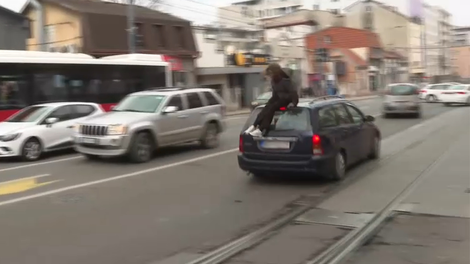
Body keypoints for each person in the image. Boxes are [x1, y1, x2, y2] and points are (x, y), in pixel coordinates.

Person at [244, 63, 299, 137]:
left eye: (271, 74)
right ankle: (254, 125)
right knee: (266, 107)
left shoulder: (286, 81)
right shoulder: (274, 81)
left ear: (275, 72)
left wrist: (293, 103)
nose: (270, 76)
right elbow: (275, 95)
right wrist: (269, 102)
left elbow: (293, 93)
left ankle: (261, 129)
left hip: (287, 100)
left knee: (272, 108)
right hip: (278, 99)